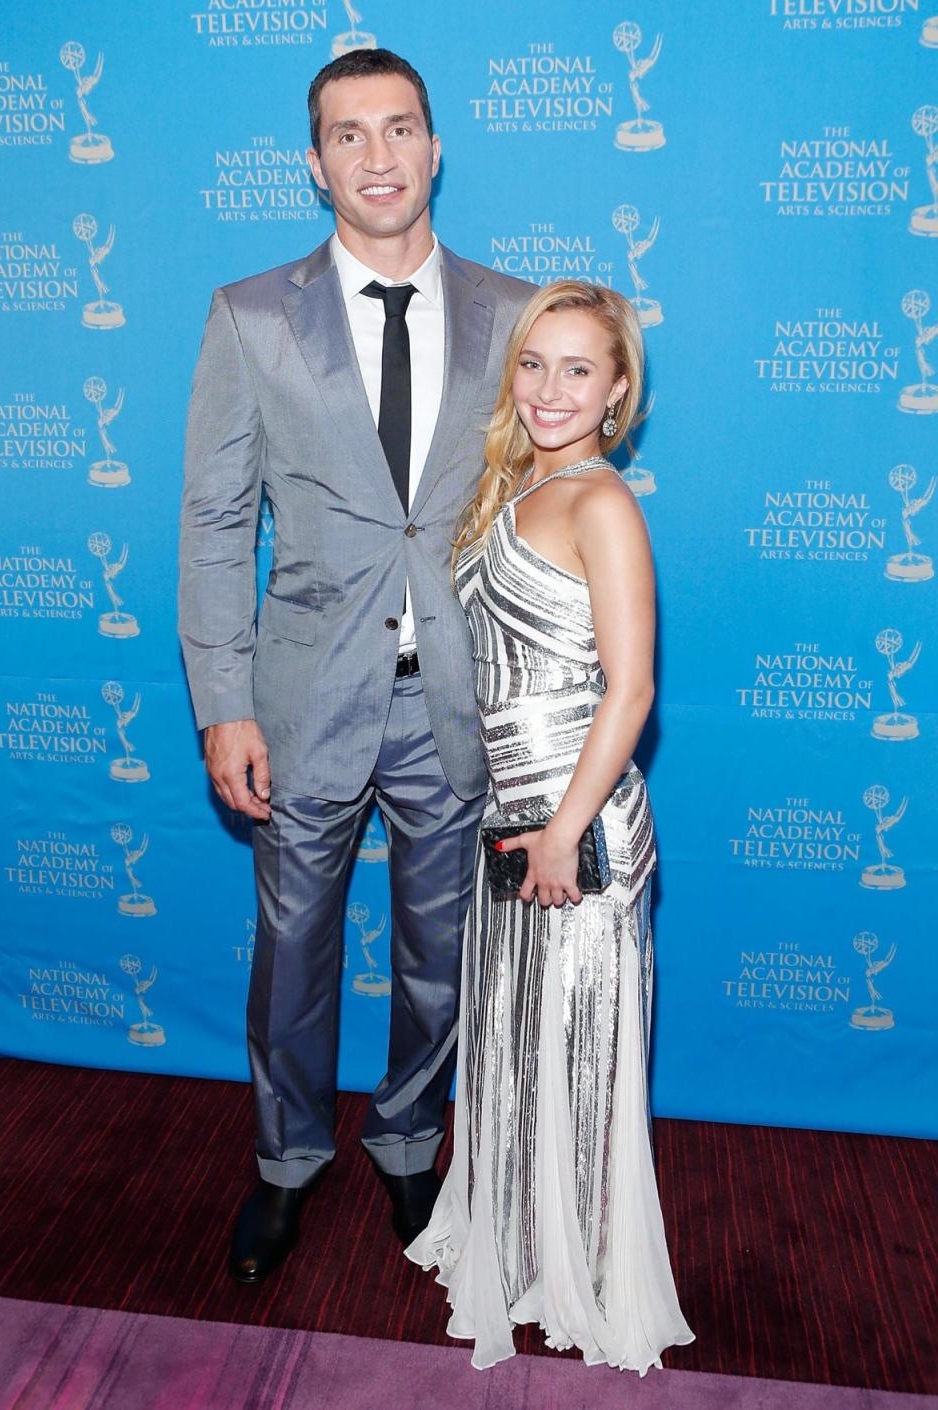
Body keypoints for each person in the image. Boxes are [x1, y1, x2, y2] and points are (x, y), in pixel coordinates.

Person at [178, 49, 531, 1285]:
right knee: (294, 950)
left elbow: (553, 513)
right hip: (302, 692)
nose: (377, 157)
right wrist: (223, 703)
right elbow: (218, 521)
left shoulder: (519, 313)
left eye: (401, 130)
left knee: (445, 947)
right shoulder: (251, 315)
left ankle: (409, 1138)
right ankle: (284, 1162)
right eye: (349, 135)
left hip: (461, 698)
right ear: (314, 163)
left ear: (437, 149)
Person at [406, 281, 695, 1372]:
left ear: (619, 391)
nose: (551, 389)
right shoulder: (511, 485)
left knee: (576, 1049)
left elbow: (630, 692)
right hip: (510, 819)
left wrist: (568, 831)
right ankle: (519, 1240)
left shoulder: (602, 504)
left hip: (580, 827)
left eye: (580, 369)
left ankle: (585, 1268)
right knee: (515, 1039)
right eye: (535, 363)